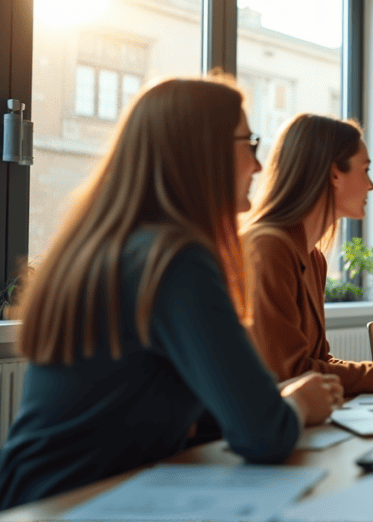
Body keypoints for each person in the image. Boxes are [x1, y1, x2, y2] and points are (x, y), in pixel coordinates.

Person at [0, 77, 340, 509]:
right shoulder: (175, 258)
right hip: (77, 502)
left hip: (45, 495)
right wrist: (299, 404)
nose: (257, 165)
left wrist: (270, 405)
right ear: (203, 151)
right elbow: (263, 435)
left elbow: (215, 413)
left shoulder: (118, 245)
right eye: (249, 144)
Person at [243, 114, 373, 391]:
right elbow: (291, 374)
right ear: (333, 174)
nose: (371, 184)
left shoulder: (313, 257)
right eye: (365, 169)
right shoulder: (268, 248)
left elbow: (318, 362)